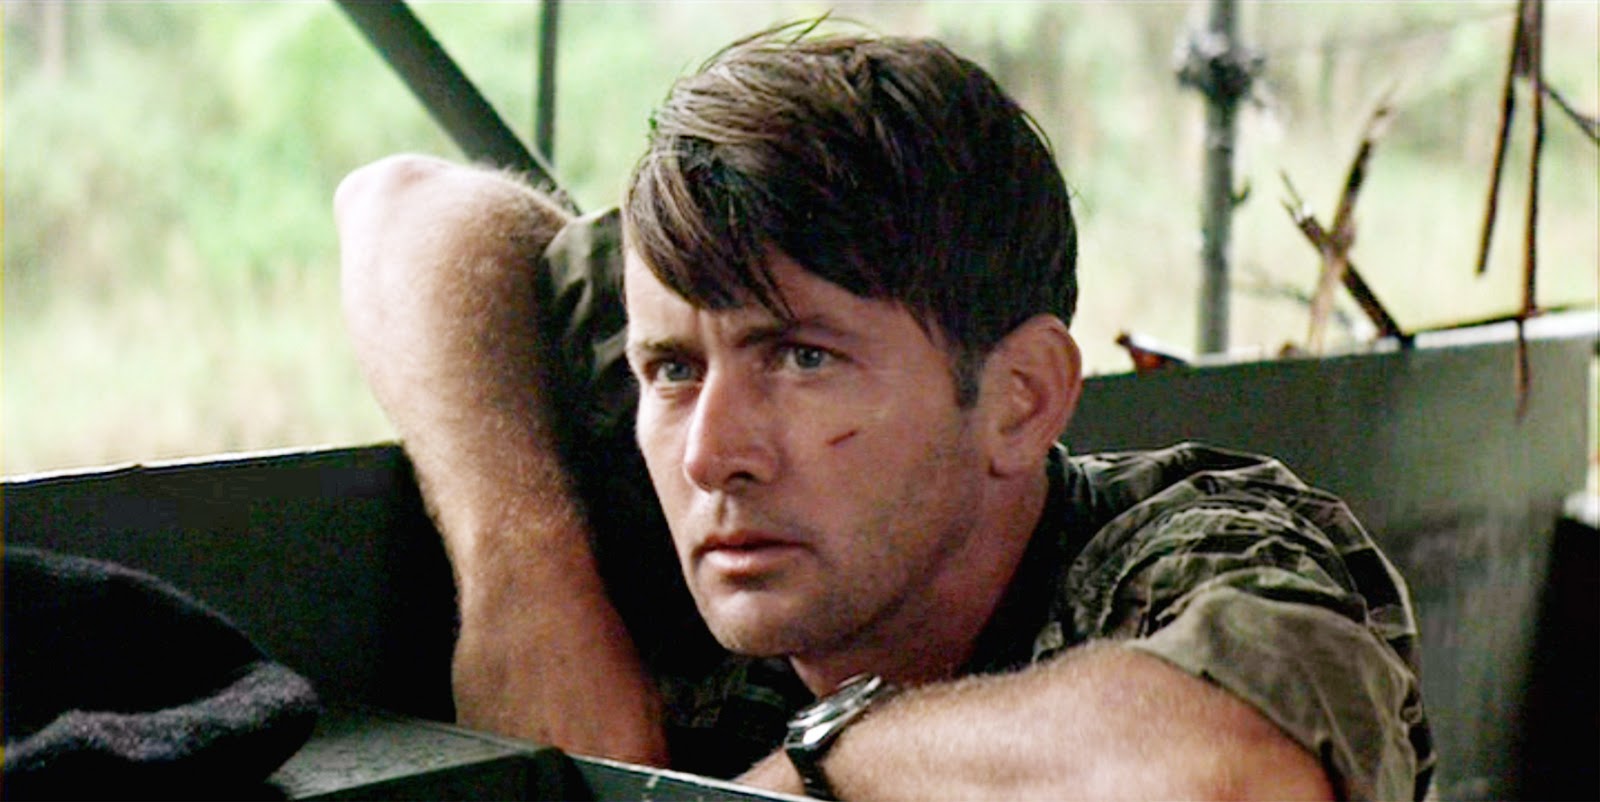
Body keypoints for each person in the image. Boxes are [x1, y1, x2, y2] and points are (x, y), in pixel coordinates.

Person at [335, 22, 1432, 801]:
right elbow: (404, 211)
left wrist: (829, 759)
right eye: (670, 369)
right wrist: (522, 570)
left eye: (804, 358)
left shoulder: (1204, 549)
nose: (713, 453)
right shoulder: (701, 381)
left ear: (1020, 400)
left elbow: (1224, 769)